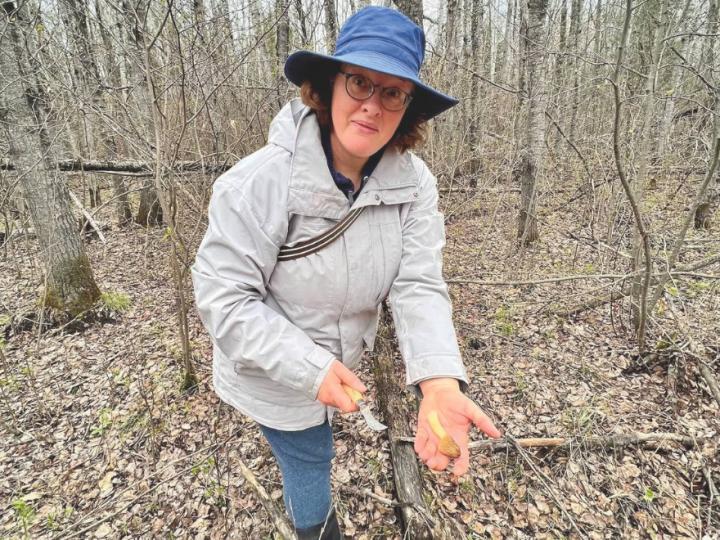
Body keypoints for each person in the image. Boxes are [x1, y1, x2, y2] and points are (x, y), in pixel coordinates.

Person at [192, 6, 501, 539]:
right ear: (329, 85)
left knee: (322, 438)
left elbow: (417, 283)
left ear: (407, 109)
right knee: (310, 455)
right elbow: (225, 298)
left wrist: (440, 381)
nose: (371, 105)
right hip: (271, 370)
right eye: (359, 82)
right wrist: (309, 368)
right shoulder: (257, 184)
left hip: (342, 362)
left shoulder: (413, 185)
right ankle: (315, 530)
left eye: (392, 93)